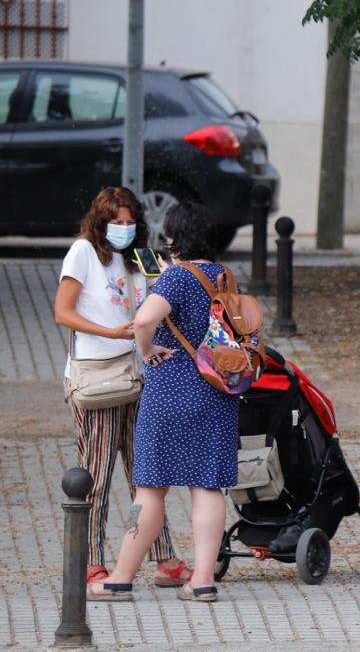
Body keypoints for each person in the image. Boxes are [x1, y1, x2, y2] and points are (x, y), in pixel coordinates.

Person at [88, 203, 238, 603]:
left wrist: (148, 348)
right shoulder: (224, 276)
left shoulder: (174, 277)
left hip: (170, 393)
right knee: (207, 486)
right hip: (218, 392)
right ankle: (203, 580)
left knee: (150, 489)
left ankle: (120, 578)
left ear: (174, 237)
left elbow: (143, 320)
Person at [53, 187, 190, 589]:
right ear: (101, 221)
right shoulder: (83, 252)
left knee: (145, 476)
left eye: (131, 223)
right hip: (99, 376)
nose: (125, 230)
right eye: (117, 223)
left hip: (140, 375)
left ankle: (161, 555)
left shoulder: (141, 256)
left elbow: (162, 300)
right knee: (95, 473)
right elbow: (63, 312)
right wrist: (110, 332)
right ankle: (92, 558)